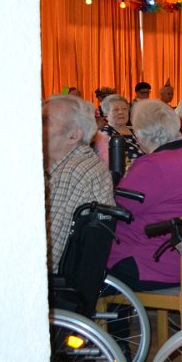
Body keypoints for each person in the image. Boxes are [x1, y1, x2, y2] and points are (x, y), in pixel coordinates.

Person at [107, 100, 182, 290]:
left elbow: (118, 206)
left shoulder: (153, 166)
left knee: (87, 258)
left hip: (153, 261)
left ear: (141, 135)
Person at [43, 94, 115, 271]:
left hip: (54, 279)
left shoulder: (70, 172)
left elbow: (50, 253)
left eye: (45, 122)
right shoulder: (83, 161)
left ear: (73, 136)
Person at [100, 93, 143, 160]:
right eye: (116, 109)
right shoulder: (105, 135)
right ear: (106, 115)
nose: (121, 112)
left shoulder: (136, 130)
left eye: (124, 109)